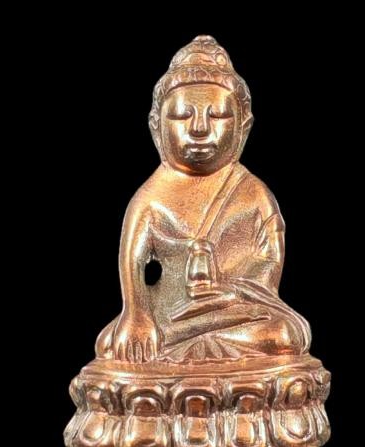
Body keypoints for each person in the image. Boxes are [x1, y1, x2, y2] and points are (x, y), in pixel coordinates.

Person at [96, 36, 310, 363]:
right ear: (156, 127)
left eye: (218, 116)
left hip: (234, 311)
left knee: (283, 336)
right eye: (182, 116)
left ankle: (185, 357)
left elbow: (269, 259)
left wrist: (232, 290)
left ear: (243, 128)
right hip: (170, 314)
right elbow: (132, 262)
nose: (199, 129)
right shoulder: (150, 199)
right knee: (113, 344)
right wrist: (137, 314)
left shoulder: (253, 194)